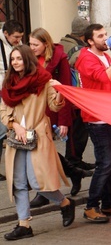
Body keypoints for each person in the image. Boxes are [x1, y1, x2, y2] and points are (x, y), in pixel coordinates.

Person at [0, 45, 75, 240]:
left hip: (38, 136)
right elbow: (3, 110)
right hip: (17, 137)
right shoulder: (9, 83)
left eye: (19, 58)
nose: (15, 62)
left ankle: (65, 203)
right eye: (13, 59)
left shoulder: (44, 81)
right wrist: (15, 125)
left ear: (27, 59)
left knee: (38, 181)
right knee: (18, 183)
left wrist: (59, 91)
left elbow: (54, 106)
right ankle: (24, 224)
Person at [28, 28, 92, 206]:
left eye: (35, 44)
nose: (31, 48)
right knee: (41, 152)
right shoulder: (29, 59)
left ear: (45, 44)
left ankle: (46, 191)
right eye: (30, 44)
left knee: (43, 152)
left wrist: (64, 121)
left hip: (55, 110)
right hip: (36, 112)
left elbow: (63, 89)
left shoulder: (59, 58)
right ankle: (71, 173)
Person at [76, 23, 111, 223]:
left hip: (109, 116)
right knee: (105, 163)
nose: (105, 38)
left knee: (110, 162)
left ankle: (108, 203)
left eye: (106, 34)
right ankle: (91, 206)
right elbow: (103, 76)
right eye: (100, 36)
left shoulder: (105, 56)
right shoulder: (86, 58)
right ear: (90, 40)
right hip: (96, 118)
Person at [59, 16, 96, 170]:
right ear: (84, 34)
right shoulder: (77, 49)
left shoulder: (63, 43)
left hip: (65, 95)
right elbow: (81, 67)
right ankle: (73, 163)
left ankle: (73, 161)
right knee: (78, 132)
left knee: (74, 132)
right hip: (76, 97)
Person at [0, 20, 24, 182]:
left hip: (13, 91)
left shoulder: (18, 45)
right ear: (6, 34)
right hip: (2, 92)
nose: (18, 40)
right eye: (15, 37)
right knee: (2, 130)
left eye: (20, 37)